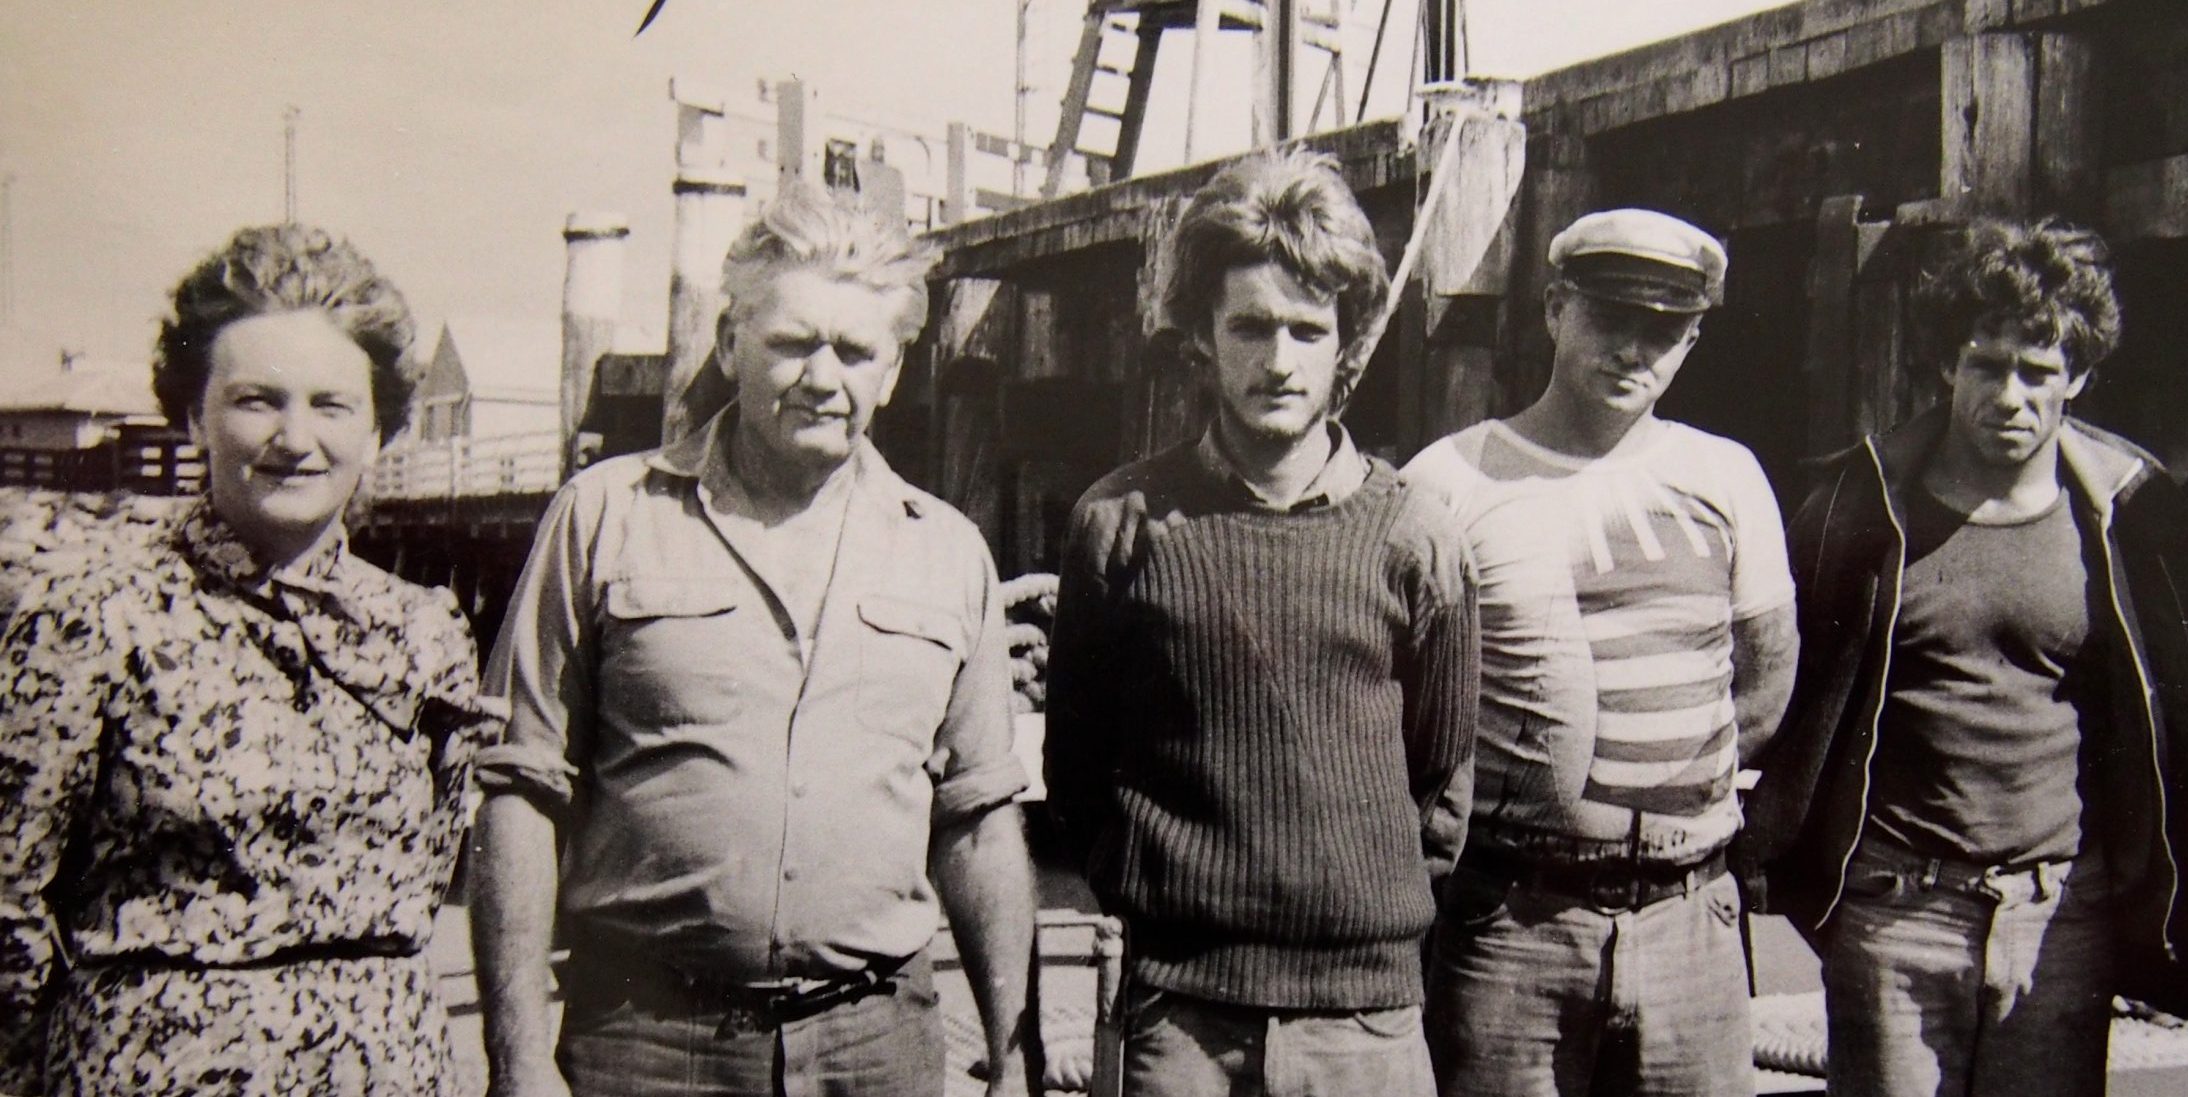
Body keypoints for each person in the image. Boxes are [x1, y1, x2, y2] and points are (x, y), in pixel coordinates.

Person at [470, 181, 1038, 1097]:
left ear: (894, 370)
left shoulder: (948, 552)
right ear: (732, 342)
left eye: (855, 351)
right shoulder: (603, 516)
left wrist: (1016, 1055)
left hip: (877, 1049)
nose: (823, 377)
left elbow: (976, 823)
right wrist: (519, 1058)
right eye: (792, 342)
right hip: (644, 1044)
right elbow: (520, 791)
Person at [1742, 216, 2188, 1097]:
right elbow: (1793, 696)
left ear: (2078, 377)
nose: (2010, 395)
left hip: (2060, 915)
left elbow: (2178, 721)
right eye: (1986, 364)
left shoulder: (2132, 512)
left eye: (2038, 370)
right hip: (1895, 910)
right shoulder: (1858, 502)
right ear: (1947, 365)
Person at [0, 224, 499, 1095]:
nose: (294, 438)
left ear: (379, 429)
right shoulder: (90, 618)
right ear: (194, 415)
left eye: (331, 404)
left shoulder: (425, 630)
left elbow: (429, 875)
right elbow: (9, 904)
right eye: (256, 400)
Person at [1042, 148, 1478, 1097]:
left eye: (1306, 329)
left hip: (1365, 1025)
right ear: (1201, 336)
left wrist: (1349, 907)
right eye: (1249, 326)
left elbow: (1439, 782)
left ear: (1346, 340)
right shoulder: (1119, 524)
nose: (1279, 361)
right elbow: (1077, 769)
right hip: (1178, 1022)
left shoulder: (1416, 536)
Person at [1400, 208, 1796, 1097]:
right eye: (1611, 317)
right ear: (1554, 309)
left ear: (1691, 340)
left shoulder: (1727, 475)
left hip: (1690, 917)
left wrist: (1661, 802)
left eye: (1664, 329)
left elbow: (1767, 675)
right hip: (1513, 922)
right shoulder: (1446, 480)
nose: (1633, 350)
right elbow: (1409, 705)